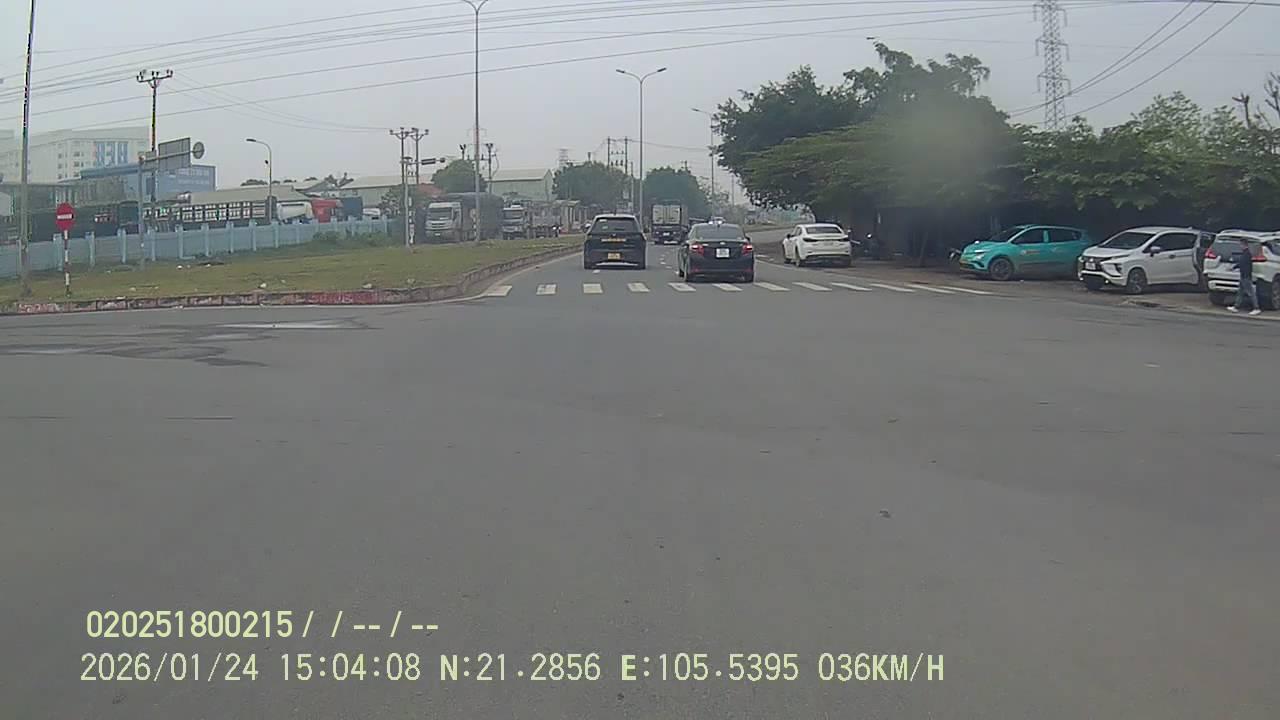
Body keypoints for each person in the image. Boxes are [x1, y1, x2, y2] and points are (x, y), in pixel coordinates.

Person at [1228, 240, 1262, 316]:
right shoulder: (1245, 254)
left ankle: (1256, 308)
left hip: (1246, 276)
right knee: (1240, 292)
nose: (1240, 246)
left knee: (1251, 293)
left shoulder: (1246, 254)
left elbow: (1243, 264)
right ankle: (1236, 306)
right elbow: (1241, 263)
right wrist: (1234, 267)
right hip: (1243, 276)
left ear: (1244, 245)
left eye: (1241, 245)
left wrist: (1235, 267)